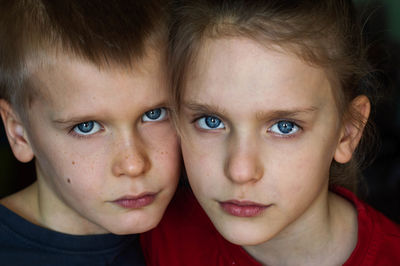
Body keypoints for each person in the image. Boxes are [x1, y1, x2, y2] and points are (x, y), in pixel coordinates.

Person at [141, 0, 400, 265]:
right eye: (210, 121)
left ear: (347, 133)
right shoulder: (150, 240)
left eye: (284, 127)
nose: (240, 171)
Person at [0, 0, 180, 265]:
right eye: (87, 127)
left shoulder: (206, 230)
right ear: (19, 134)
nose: (133, 164)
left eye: (154, 114)